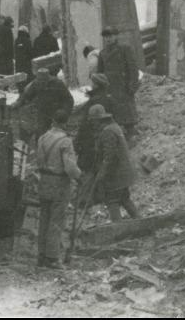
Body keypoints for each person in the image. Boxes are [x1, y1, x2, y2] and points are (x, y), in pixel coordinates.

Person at [36, 109, 82, 269]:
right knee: (56, 220)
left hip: (43, 181)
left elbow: (38, 160)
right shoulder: (65, 142)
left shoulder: (42, 138)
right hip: (59, 183)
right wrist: (79, 177)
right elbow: (70, 167)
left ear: (52, 121)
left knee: (44, 218)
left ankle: (41, 255)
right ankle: (52, 257)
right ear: (65, 123)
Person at [89, 104, 140, 222]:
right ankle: (140, 222)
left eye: (93, 121)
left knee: (112, 200)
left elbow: (109, 157)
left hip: (116, 175)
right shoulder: (115, 127)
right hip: (123, 173)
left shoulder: (107, 132)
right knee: (124, 198)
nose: (93, 124)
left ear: (98, 119)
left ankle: (117, 230)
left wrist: (101, 174)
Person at [97, 26, 140, 138]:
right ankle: (118, 135)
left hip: (123, 85)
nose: (108, 39)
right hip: (110, 87)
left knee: (127, 111)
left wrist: (133, 84)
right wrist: (101, 88)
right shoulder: (102, 53)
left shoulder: (125, 49)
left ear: (116, 36)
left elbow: (133, 68)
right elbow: (100, 73)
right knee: (114, 112)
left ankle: (131, 132)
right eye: (106, 37)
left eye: (110, 36)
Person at [12, 68, 74, 140]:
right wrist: (18, 103)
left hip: (56, 113)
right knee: (41, 136)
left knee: (58, 137)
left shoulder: (58, 83)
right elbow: (26, 95)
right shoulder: (36, 83)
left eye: (43, 82)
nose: (41, 83)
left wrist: (65, 111)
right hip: (42, 113)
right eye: (40, 81)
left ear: (48, 79)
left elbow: (68, 99)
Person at [74, 74, 115, 174]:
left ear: (96, 85)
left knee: (88, 168)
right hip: (106, 136)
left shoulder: (93, 101)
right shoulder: (110, 99)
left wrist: (77, 140)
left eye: (93, 83)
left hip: (91, 139)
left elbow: (84, 124)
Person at [14, 25, 34, 92]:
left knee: (19, 77)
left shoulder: (16, 40)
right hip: (26, 63)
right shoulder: (27, 41)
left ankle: (20, 89)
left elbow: (14, 51)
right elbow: (31, 52)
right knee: (27, 77)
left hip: (18, 63)